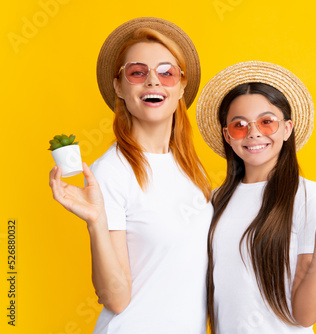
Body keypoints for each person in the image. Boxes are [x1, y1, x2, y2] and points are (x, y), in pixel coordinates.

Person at [49, 17, 212, 333]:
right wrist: (96, 222)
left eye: (167, 73)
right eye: (138, 72)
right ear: (119, 87)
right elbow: (116, 299)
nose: (153, 81)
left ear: (182, 87)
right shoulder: (110, 172)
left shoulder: (193, 169)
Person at [196, 61, 316, 333]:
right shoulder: (213, 202)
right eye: (239, 125)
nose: (253, 132)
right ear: (228, 136)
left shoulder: (308, 196)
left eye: (267, 122)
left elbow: (305, 315)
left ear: (287, 129)